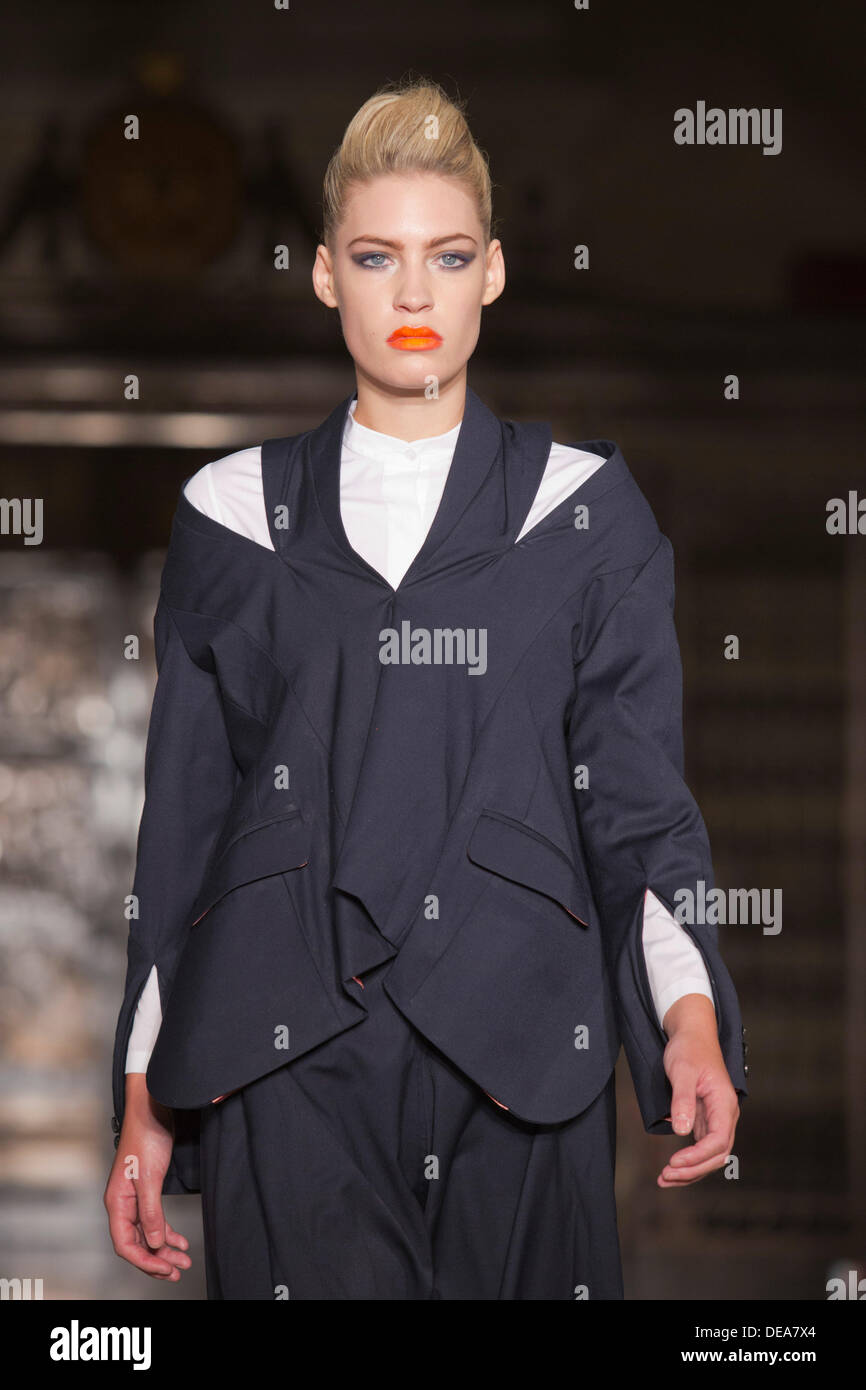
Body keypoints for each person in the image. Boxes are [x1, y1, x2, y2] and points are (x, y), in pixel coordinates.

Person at [104, 77, 746, 1300]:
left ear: (492, 274)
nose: (412, 293)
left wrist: (687, 1013)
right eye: (375, 255)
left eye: (446, 256)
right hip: (284, 1057)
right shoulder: (231, 518)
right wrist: (145, 1090)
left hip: (522, 1049)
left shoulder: (582, 514)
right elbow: (181, 835)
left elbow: (632, 800)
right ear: (323, 274)